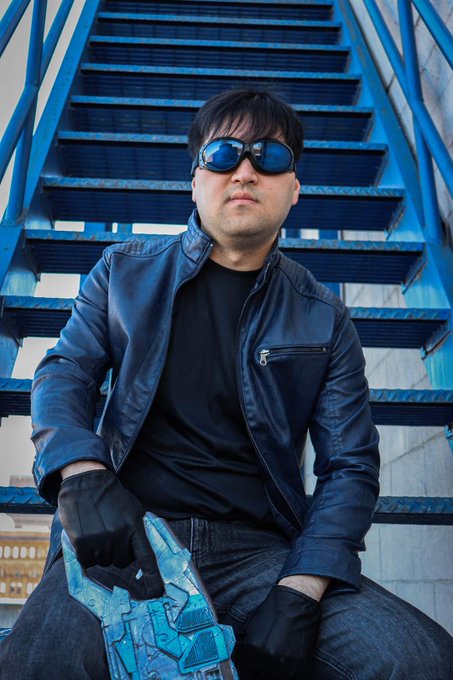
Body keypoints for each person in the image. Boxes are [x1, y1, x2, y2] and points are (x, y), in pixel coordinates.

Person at [1, 88, 452, 679]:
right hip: (128, 539)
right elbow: (65, 371)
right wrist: (81, 473)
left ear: (294, 188)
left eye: (269, 156)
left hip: (260, 555)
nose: (243, 170)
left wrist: (302, 586)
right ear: (195, 181)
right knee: (41, 663)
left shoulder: (323, 315)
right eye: (221, 154)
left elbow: (350, 466)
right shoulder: (122, 273)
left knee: (419, 661)